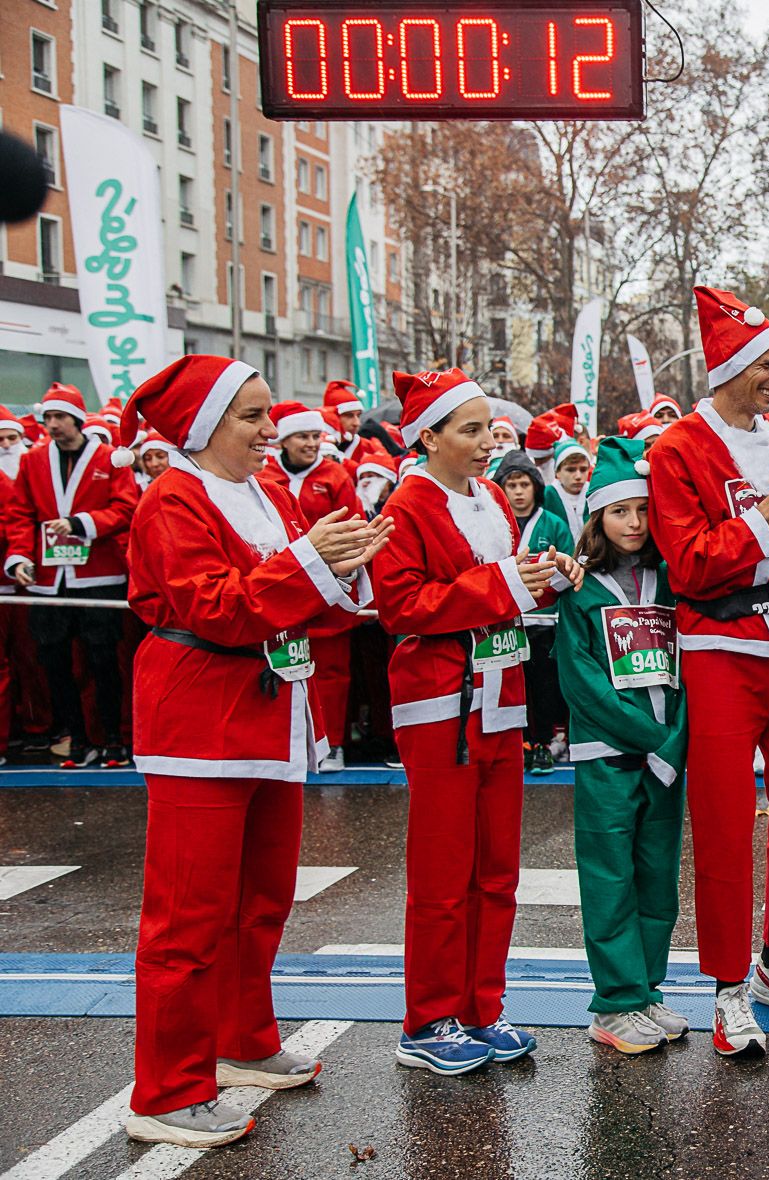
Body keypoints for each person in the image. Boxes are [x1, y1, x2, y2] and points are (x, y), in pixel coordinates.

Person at [121, 354, 388, 1148]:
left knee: (261, 899)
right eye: (251, 416)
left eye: (267, 413)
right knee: (187, 920)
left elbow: (292, 599)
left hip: (268, 712)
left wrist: (348, 566)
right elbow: (214, 608)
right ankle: (166, 1092)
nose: (271, 429)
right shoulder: (171, 499)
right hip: (199, 721)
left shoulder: (263, 492)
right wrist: (315, 562)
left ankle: (240, 1041)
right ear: (203, 426)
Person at [646, 285, 769, 1057]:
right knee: (726, 825)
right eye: (768, 364)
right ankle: (729, 987)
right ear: (730, 365)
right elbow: (693, 568)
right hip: (722, 650)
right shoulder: (677, 450)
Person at [373, 367, 582, 1076]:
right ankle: (429, 1018)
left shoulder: (490, 494)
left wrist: (546, 571)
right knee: (442, 872)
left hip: (500, 695)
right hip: (440, 703)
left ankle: (481, 1006)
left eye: (489, 428)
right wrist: (501, 585)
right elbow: (401, 605)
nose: (488, 443)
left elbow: (506, 579)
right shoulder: (407, 505)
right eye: (468, 430)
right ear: (426, 436)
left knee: (496, 870)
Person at [554, 436, 690, 1055]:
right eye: (619, 512)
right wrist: (656, 738)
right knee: (610, 878)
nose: (633, 524)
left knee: (657, 877)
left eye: (642, 510)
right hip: (609, 756)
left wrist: (676, 740)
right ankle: (614, 1003)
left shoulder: (672, 582)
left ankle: (646, 991)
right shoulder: (579, 590)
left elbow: (692, 669)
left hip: (665, 757)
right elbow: (580, 683)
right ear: (597, 518)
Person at [2, 382, 139, 768]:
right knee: (55, 663)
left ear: (78, 419)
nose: (52, 424)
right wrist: (18, 558)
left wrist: (82, 523)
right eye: (47, 417)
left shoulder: (110, 458)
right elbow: (20, 515)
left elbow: (127, 508)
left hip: (98, 577)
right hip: (48, 578)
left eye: (60, 416)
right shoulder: (33, 460)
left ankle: (112, 738)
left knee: (103, 661)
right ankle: (76, 739)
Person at [257, 401, 362, 772]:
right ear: (284, 440)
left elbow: (354, 525)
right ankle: (288, 737)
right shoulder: (265, 474)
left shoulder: (335, 476)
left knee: (332, 670)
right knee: (283, 663)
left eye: (316, 435)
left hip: (329, 585)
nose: (312, 443)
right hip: (283, 582)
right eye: (302, 436)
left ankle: (332, 741)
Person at [494, 451, 575, 774]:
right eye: (511, 484)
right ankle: (519, 744)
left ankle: (542, 744)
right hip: (506, 620)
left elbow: (568, 563)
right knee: (513, 686)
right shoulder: (494, 521)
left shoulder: (553, 524)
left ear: (535, 487)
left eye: (523, 484)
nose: (517, 491)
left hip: (545, 622)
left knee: (543, 686)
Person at [324, 380, 392, 476]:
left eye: (358, 416)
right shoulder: (315, 448)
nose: (357, 423)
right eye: (349, 416)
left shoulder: (369, 447)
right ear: (331, 416)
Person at [544, 437, 593, 545]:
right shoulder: (547, 495)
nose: (578, 476)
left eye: (583, 469)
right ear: (557, 472)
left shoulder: (594, 493)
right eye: (571, 470)